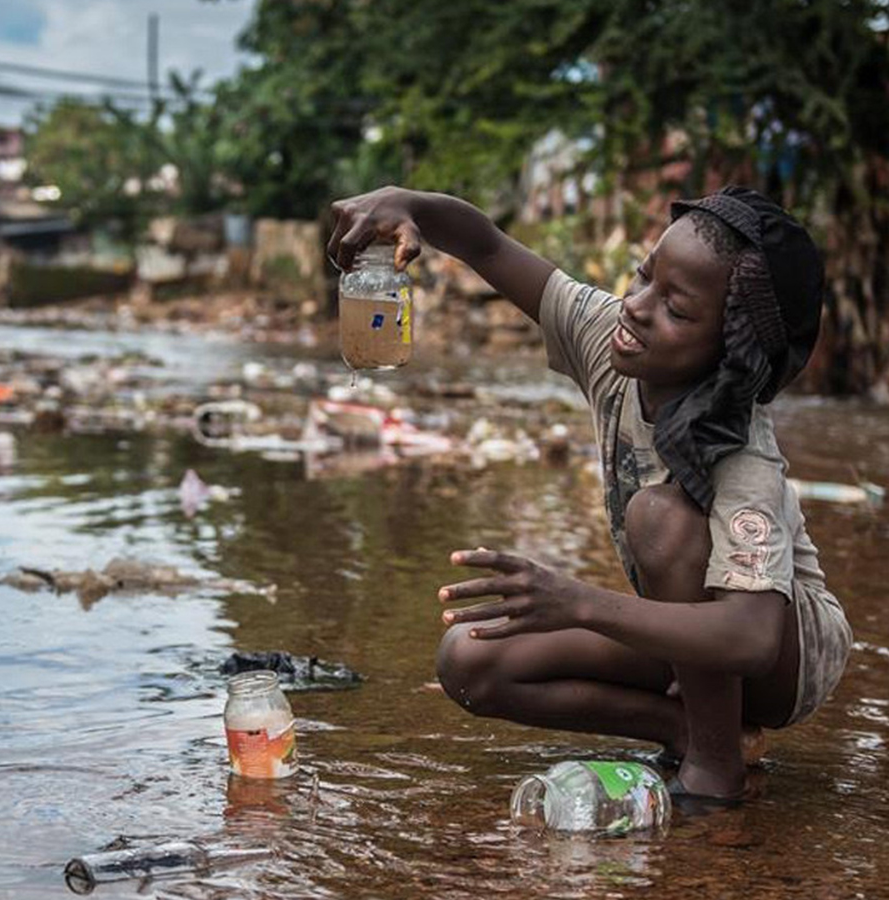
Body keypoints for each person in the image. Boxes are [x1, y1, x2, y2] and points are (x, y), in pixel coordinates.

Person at [325, 185, 852, 803]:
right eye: (643, 276)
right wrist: (407, 204)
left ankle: (715, 771)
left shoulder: (743, 452)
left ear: (729, 358)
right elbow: (486, 245)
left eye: (677, 312)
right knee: (470, 661)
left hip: (785, 658)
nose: (636, 307)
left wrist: (578, 603)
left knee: (659, 517)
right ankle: (686, 730)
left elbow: (753, 635)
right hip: (695, 635)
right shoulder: (610, 340)